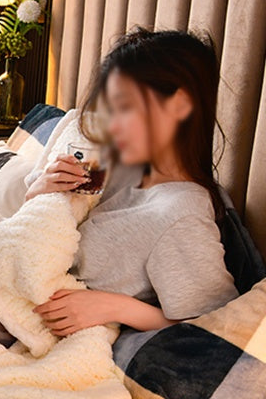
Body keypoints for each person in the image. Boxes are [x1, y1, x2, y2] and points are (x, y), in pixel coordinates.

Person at [29, 28, 238, 335]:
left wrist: (114, 306)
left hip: (30, 312)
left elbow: (214, 325)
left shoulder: (183, 215)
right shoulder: (119, 165)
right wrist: (41, 190)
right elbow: (31, 236)